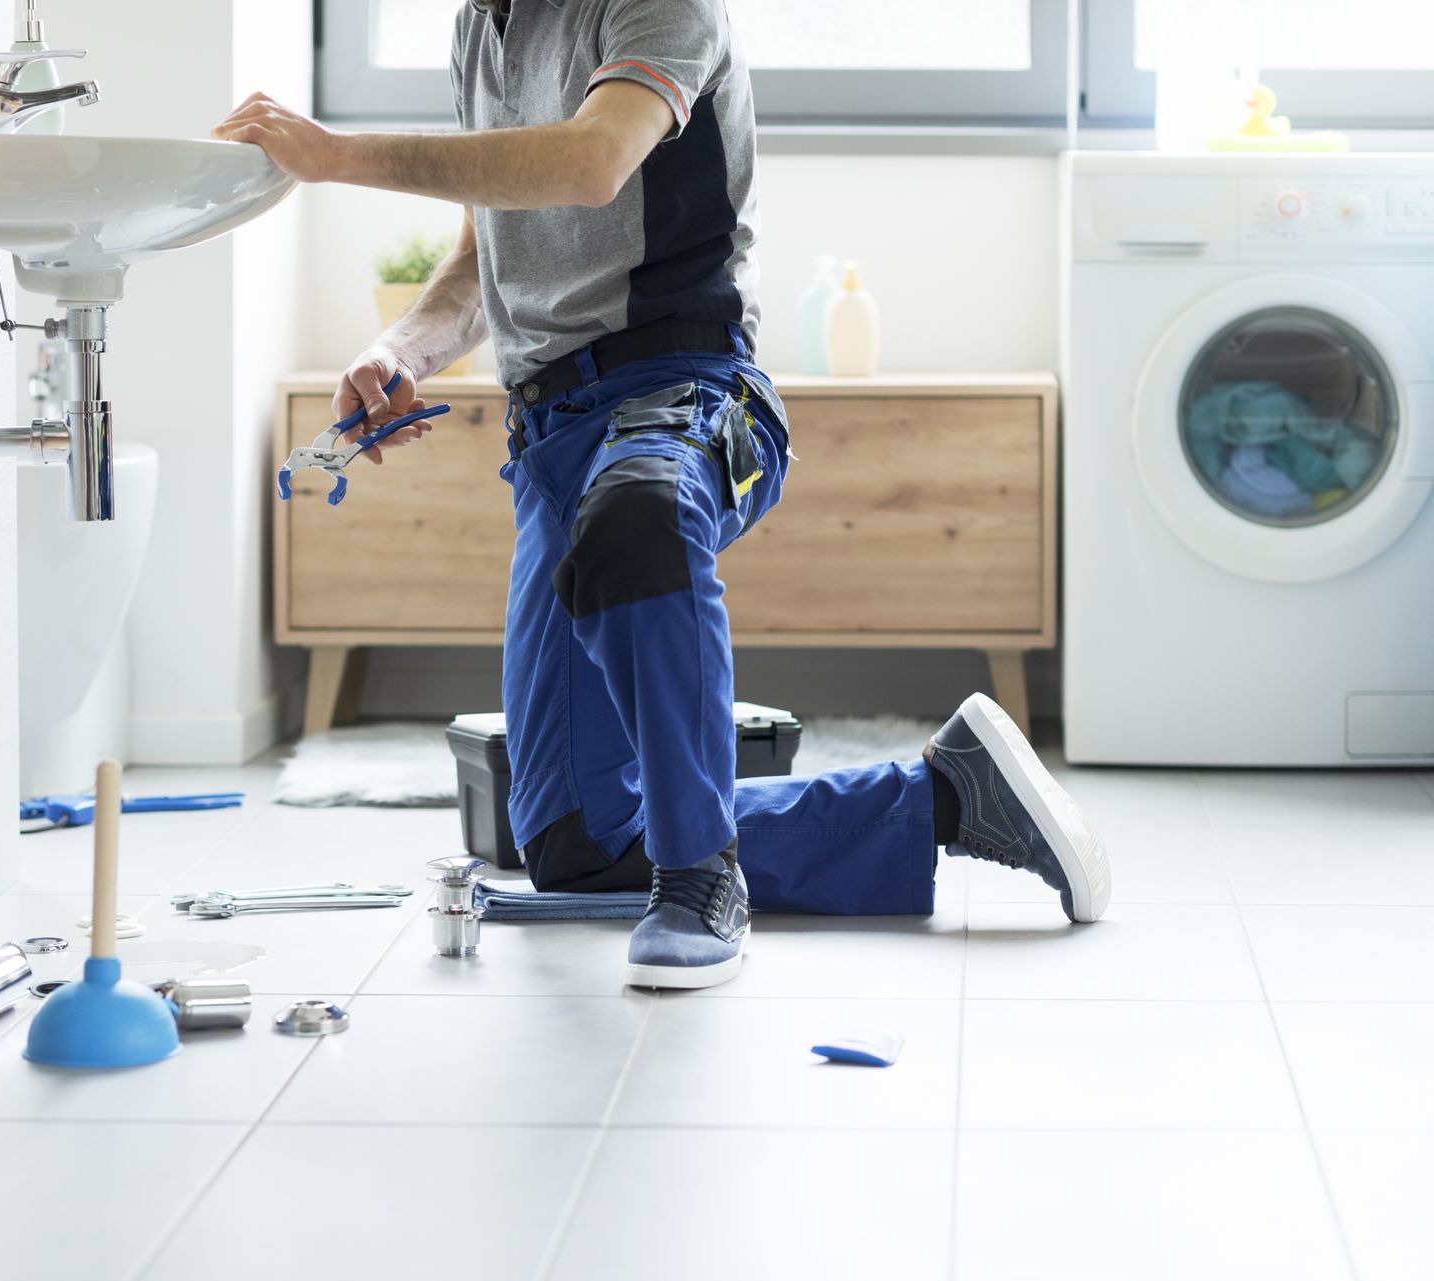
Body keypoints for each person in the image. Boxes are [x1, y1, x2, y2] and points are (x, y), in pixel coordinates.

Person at [215, 0, 1111, 990]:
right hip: (549, 440)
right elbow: (486, 250)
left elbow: (591, 161)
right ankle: (948, 800)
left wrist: (339, 157)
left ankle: (699, 880)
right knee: (575, 838)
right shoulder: (481, 28)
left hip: (688, 390)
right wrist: (400, 349)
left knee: (639, 518)